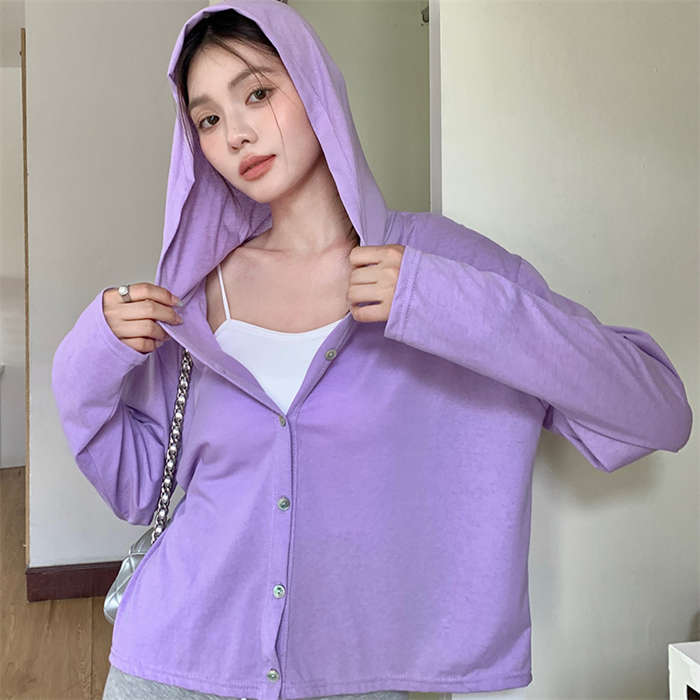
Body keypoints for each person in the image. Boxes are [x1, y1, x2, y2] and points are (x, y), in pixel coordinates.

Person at [51, 2, 693, 700]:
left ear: (315, 85)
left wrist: (434, 301)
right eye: (207, 120)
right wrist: (87, 358)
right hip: (171, 665)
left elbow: (657, 413)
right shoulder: (197, 297)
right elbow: (139, 490)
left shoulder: (445, 269)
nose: (235, 134)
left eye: (257, 93)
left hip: (366, 676)